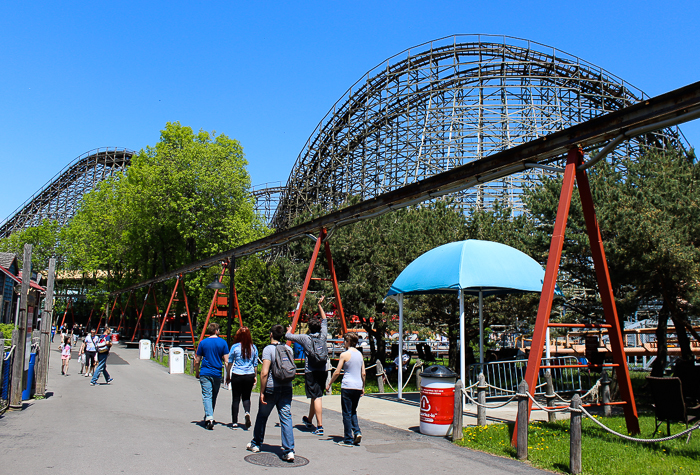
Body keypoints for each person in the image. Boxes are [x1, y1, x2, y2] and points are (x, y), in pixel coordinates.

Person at [247, 324, 295, 462]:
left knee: (262, 416)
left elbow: (264, 372)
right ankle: (289, 450)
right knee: (286, 417)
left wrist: (262, 391)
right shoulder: (288, 349)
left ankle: (256, 443)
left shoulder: (268, 349)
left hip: (271, 388)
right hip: (287, 387)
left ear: (271, 335)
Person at [285, 296, 328, 436]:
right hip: (323, 369)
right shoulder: (323, 335)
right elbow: (325, 319)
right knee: (315, 395)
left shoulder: (305, 338)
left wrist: (289, 329)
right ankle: (309, 420)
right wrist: (320, 305)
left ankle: (320, 426)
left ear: (309, 328)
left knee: (317, 397)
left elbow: (288, 336)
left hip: (311, 371)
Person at [327, 332, 366, 447]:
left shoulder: (344, 355)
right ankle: (357, 431)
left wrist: (330, 383)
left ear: (349, 342)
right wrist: (363, 386)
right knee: (353, 411)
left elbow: (337, 371)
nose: (344, 343)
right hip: (358, 386)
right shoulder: (360, 355)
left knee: (346, 412)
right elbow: (363, 373)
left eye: (345, 341)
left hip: (347, 385)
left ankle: (348, 438)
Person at [194, 323, 229, 430]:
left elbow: (197, 359)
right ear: (216, 331)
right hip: (217, 373)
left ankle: (209, 416)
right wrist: (227, 375)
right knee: (213, 395)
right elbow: (227, 361)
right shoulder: (223, 343)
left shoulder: (203, 343)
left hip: (205, 371)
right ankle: (209, 416)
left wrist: (197, 371)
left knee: (207, 395)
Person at [225, 327, 258, 429]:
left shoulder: (235, 347)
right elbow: (255, 364)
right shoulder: (253, 348)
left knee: (235, 398)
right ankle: (247, 412)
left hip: (237, 374)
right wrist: (255, 376)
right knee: (246, 397)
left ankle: (234, 422)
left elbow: (230, 362)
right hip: (249, 374)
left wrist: (228, 375)